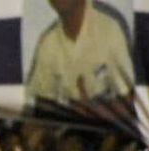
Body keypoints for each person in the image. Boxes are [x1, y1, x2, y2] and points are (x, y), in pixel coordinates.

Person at [25, 0, 135, 128]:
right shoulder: (49, 42)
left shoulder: (109, 28)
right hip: (71, 131)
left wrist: (94, 110)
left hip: (112, 129)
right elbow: (42, 105)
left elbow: (132, 101)